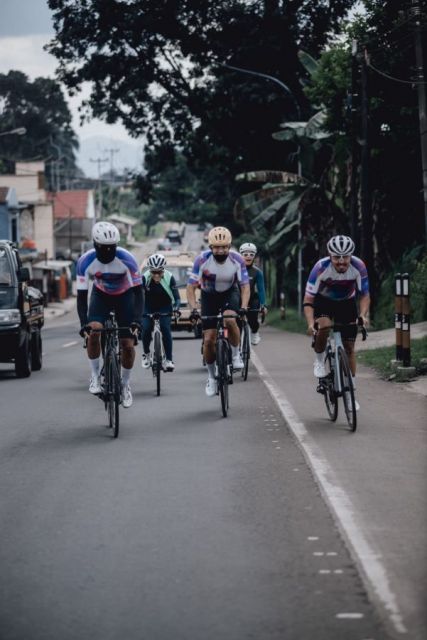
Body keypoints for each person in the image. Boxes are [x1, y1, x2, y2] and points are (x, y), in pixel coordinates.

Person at [76, 221, 143, 408]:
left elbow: (139, 292)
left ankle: (125, 385)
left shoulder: (127, 259)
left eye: (112, 248)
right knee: (95, 330)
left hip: (125, 296)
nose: (108, 252)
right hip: (101, 296)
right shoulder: (84, 261)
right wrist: (84, 324)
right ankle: (95, 377)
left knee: (128, 345)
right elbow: (81, 297)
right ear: (95, 245)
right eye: (104, 248)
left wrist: (137, 320)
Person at [303, 234, 370, 410]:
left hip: (347, 303)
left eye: (345, 257)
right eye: (336, 258)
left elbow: (364, 295)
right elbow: (308, 300)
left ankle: (350, 394)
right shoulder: (320, 268)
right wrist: (311, 323)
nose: (341, 262)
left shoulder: (359, 267)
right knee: (323, 326)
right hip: (323, 302)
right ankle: (319, 359)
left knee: (349, 349)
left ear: (351, 256)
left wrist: (363, 315)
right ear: (330, 256)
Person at [187, 226, 250, 397]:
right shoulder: (201, 260)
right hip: (209, 295)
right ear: (211, 247)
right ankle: (211, 377)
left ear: (229, 247)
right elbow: (191, 287)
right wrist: (193, 309)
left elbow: (245, 286)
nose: (220, 250)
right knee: (208, 340)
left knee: (230, 319)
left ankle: (236, 356)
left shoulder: (237, 259)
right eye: (217, 247)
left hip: (230, 292)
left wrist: (244, 307)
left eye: (224, 247)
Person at [141, 253, 181, 372]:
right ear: (150, 270)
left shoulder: (169, 277)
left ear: (164, 270)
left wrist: (177, 308)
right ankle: (146, 354)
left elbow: (177, 297)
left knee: (165, 328)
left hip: (165, 306)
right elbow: (139, 297)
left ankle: (168, 359)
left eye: (159, 272)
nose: (157, 275)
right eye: (154, 272)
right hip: (148, 306)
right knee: (146, 328)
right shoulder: (145, 277)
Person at [239, 242, 267, 345]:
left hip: (252, 299)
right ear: (241, 255)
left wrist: (263, 305)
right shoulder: (235, 270)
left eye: (251, 254)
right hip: (237, 298)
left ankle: (254, 332)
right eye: (245, 254)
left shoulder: (257, 272)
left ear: (254, 256)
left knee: (253, 319)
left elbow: (261, 289)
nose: (248, 257)